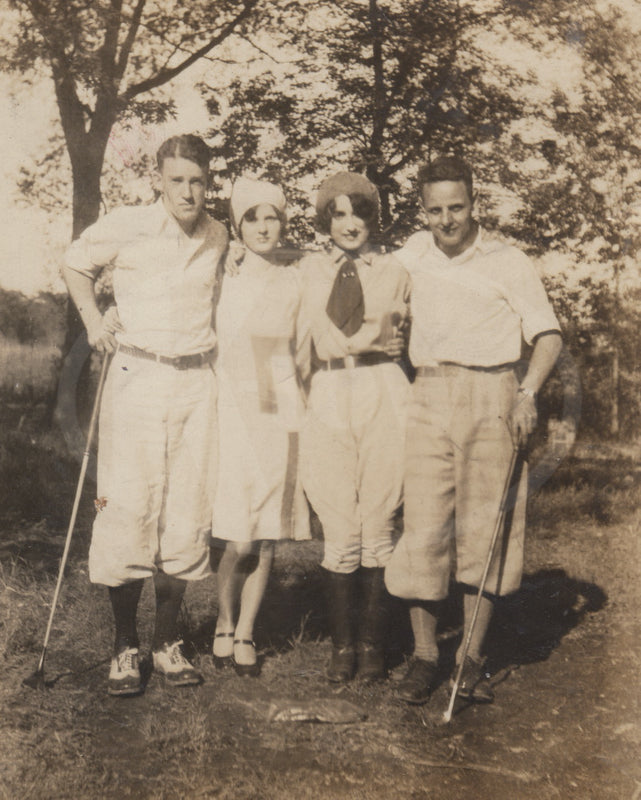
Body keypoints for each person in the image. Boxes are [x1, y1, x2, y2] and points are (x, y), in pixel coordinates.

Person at [385, 156, 563, 705]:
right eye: (435, 209)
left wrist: (528, 393)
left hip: (493, 394)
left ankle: (471, 660)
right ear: (422, 209)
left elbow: (549, 335)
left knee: (486, 529)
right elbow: (372, 292)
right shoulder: (411, 253)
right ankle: (423, 657)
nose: (447, 220)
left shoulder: (507, 260)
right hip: (429, 391)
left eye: (456, 207)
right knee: (423, 526)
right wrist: (389, 338)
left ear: (474, 204)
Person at [62, 134, 228, 696]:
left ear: (210, 182)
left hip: (197, 383)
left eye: (198, 180)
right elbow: (75, 261)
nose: (188, 191)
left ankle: (167, 642)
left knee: (185, 511)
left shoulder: (219, 235)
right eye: (177, 179)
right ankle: (123, 648)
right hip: (136, 377)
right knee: (126, 506)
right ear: (158, 178)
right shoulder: (128, 223)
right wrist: (91, 321)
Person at [299, 172, 410, 683]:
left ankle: (372, 645)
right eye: (338, 213)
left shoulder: (396, 268)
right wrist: (362, 342)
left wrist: (364, 341)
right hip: (328, 392)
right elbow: (320, 339)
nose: (350, 224)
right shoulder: (306, 269)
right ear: (326, 219)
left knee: (380, 518)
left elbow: (389, 333)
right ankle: (342, 646)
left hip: (383, 391)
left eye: (360, 212)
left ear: (374, 217)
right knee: (339, 520)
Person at [211, 177, 311, 677]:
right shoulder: (220, 272)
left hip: (277, 400)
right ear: (237, 224)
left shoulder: (297, 276)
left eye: (272, 216)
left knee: (267, 531)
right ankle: (222, 622)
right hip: (229, 402)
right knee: (237, 535)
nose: (264, 226)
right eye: (252, 217)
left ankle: (247, 629)